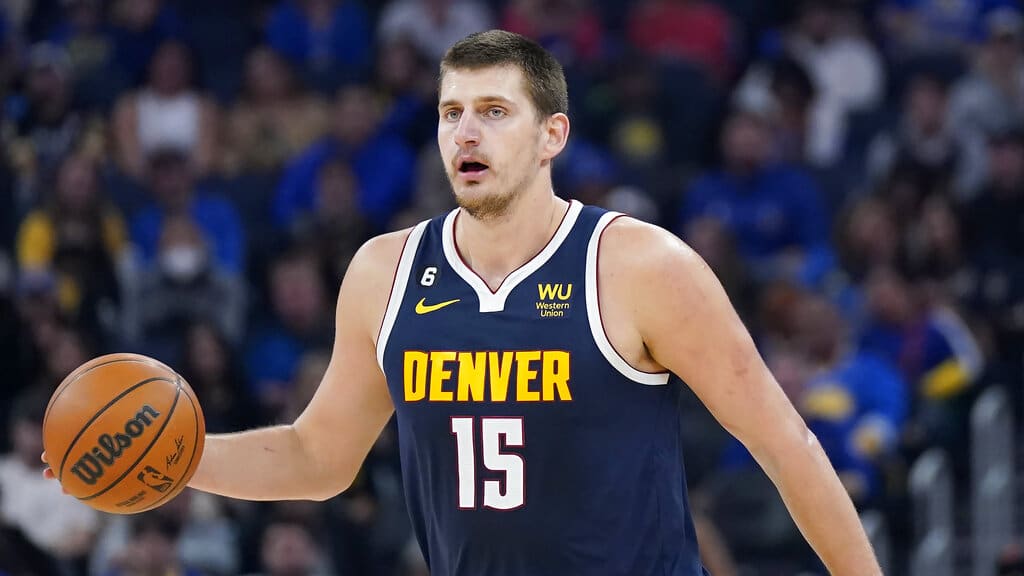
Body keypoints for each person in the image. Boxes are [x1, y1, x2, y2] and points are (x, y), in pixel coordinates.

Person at [45, 30, 879, 575]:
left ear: (551, 135)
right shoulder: (387, 272)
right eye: (451, 114)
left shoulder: (639, 265)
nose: (466, 134)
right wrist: (169, 455)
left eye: (493, 112)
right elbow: (318, 456)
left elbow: (787, 444)